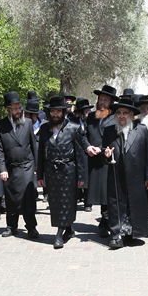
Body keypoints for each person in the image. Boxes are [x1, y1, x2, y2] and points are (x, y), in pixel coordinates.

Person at [101, 96, 148, 249]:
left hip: (136, 175)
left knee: (134, 204)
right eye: (119, 113)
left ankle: (131, 234)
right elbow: (104, 154)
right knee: (116, 204)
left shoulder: (142, 130)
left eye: (125, 113)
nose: (122, 116)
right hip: (115, 174)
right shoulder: (109, 131)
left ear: (132, 115)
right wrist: (105, 155)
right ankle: (116, 235)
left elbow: (147, 155)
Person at [37, 95, 88, 249]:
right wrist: (40, 175)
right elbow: (41, 153)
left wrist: (82, 176)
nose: (55, 114)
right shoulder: (45, 129)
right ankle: (69, 229)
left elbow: (80, 154)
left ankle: (59, 234)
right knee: (55, 203)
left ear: (64, 112)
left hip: (69, 171)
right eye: (53, 111)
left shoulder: (73, 128)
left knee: (67, 201)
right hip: (51, 171)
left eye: (58, 111)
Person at [0, 92, 39, 239]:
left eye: (19, 107)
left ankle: (31, 227)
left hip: (27, 166)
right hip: (10, 168)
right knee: (11, 198)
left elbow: (34, 145)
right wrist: (2, 169)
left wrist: (37, 168)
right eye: (14, 108)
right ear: (8, 109)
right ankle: (11, 226)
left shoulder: (27, 123)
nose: (17, 111)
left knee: (28, 198)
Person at [84, 86, 116, 231]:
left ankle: (106, 221)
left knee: (108, 192)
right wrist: (88, 147)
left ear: (111, 102)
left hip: (109, 160)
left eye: (106, 100)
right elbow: (82, 135)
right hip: (94, 160)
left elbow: (117, 138)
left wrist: (103, 149)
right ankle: (105, 220)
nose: (102, 102)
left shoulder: (116, 117)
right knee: (100, 193)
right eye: (100, 99)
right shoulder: (91, 116)